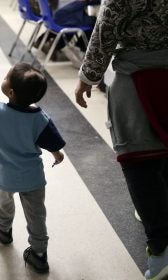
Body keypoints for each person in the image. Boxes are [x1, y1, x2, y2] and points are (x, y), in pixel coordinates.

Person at [74, 0, 168, 279]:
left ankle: (161, 250)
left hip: (138, 77)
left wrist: (87, 77)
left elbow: (106, 29)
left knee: (139, 161)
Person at [0, 63, 66, 274]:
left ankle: (3, 229)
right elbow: (55, 146)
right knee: (36, 216)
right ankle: (39, 255)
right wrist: (57, 156)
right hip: (33, 179)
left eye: (6, 77)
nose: (4, 77)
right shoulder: (40, 119)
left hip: (6, 176)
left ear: (10, 92)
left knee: (3, 205)